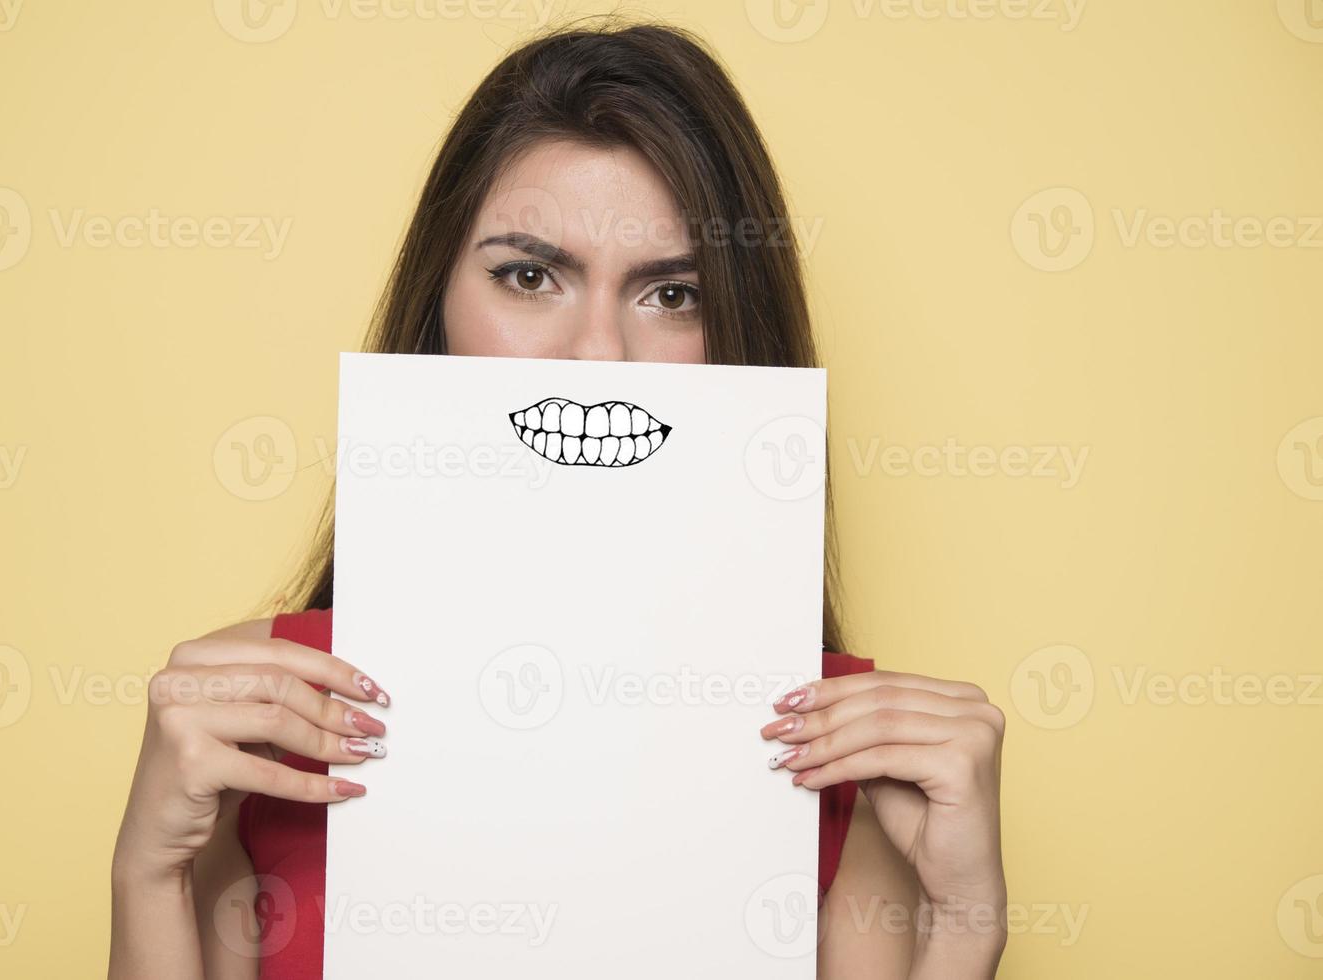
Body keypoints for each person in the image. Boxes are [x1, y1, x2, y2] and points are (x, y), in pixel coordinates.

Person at [109, 20, 1007, 979]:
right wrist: (144, 879)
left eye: (670, 294)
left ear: (742, 328)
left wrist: (964, 928)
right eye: (528, 276)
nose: (599, 358)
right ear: (438, 304)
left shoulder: (844, 763)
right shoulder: (260, 721)